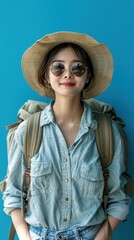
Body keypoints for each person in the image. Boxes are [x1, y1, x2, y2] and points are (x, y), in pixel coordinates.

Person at [3, 31, 130, 240]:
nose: (68, 74)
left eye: (77, 68)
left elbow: (118, 199)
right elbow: (12, 194)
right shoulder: (27, 131)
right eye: (58, 67)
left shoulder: (108, 132)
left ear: (88, 76)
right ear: (46, 75)